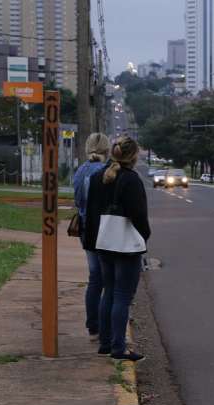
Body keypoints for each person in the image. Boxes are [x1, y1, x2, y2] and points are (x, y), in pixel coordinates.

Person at [83, 136, 150, 361]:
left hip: (103, 242)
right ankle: (118, 347)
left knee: (109, 291)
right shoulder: (131, 180)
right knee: (123, 295)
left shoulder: (96, 177)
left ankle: (105, 342)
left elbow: (91, 212)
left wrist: (93, 241)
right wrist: (144, 237)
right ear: (133, 156)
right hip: (125, 246)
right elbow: (139, 215)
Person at [73, 133, 110, 342]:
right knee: (109, 280)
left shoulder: (80, 171)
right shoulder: (105, 172)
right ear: (107, 150)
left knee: (94, 278)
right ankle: (107, 325)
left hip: (85, 229)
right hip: (104, 229)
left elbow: (78, 201)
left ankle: (93, 326)